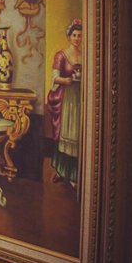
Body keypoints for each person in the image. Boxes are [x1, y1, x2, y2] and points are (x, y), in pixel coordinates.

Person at [45, 19, 83, 188]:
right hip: (66, 98)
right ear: (69, 36)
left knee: (76, 134)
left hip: (79, 97)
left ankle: (74, 174)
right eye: (74, 35)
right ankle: (61, 170)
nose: (77, 38)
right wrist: (65, 80)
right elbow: (54, 77)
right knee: (66, 131)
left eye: (79, 35)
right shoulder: (61, 55)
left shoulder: (84, 55)